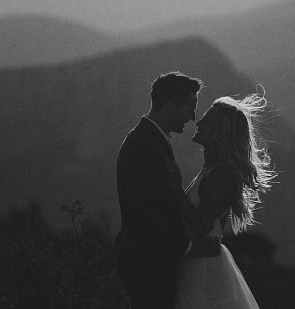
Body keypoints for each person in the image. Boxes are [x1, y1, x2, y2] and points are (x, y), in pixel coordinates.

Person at [174, 91, 276, 309]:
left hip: (202, 273)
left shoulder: (221, 175)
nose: (199, 122)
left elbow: (202, 226)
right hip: (197, 265)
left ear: (221, 131)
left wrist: (174, 189)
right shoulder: (211, 170)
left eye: (207, 120)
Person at [115, 71, 204, 309]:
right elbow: (149, 214)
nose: (193, 117)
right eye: (190, 107)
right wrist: (189, 247)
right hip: (151, 268)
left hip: (149, 266)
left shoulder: (148, 139)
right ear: (171, 106)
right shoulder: (146, 146)